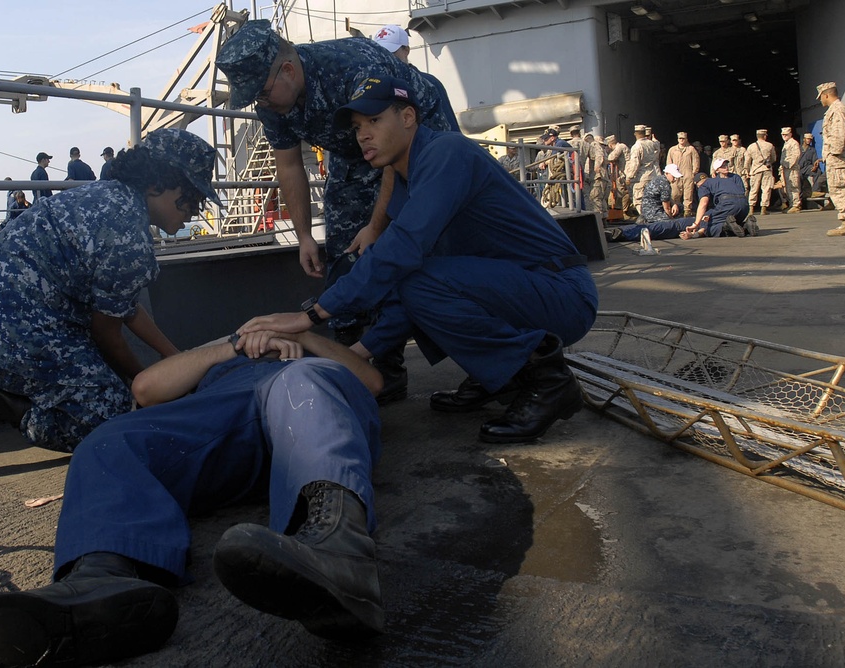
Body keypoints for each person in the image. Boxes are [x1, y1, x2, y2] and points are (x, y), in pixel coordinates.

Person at [0, 329, 386, 667]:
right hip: (224, 415)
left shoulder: (314, 355)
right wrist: (235, 342)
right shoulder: (221, 356)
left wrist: (301, 335)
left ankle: (338, 548)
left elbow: (372, 381)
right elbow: (146, 390)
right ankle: (101, 579)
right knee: (110, 440)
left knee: (302, 383)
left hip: (305, 403)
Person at [240, 75, 599, 445]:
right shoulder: (411, 179)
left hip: (561, 293)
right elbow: (410, 289)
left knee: (421, 280)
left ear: (408, 116)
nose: (363, 135)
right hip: (519, 289)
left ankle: (547, 381)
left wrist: (312, 315)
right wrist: (358, 354)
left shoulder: (446, 154)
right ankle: (497, 375)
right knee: (421, 283)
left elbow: (402, 252)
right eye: (358, 127)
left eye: (375, 121)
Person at [0, 129, 220, 478]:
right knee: (120, 424)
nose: (194, 211)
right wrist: (147, 384)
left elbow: (123, 305)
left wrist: (176, 358)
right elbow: (107, 335)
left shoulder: (104, 196)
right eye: (190, 199)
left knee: (109, 391)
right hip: (8, 331)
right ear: (158, 185)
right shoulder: (130, 237)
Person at [215, 19, 458, 404]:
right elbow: (290, 165)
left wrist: (377, 226)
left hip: (414, 135)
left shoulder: (353, 67)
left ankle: (481, 362)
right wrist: (305, 237)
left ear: (289, 71)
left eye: (261, 93)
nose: (260, 103)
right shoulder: (272, 98)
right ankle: (363, 366)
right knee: (346, 255)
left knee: (425, 244)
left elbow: (395, 154)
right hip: (354, 152)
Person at [680, 160, 757, 239]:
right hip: (744, 205)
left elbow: (703, 203)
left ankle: (726, 226)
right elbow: (741, 192)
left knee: (708, 223)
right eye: (723, 166)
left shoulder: (706, 184)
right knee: (735, 221)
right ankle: (746, 226)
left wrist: (696, 224)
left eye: (726, 165)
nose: (726, 167)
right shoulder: (735, 177)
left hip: (727, 204)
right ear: (716, 170)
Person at [818, 81, 845, 236]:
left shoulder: (838, 110)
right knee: (837, 188)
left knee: (840, 188)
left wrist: (833, 154)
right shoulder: (835, 110)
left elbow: (839, 136)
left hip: (838, 157)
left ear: (826, 94)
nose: (820, 99)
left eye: (821, 96)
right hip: (836, 157)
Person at [625, 124, 660, 217]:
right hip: (653, 175)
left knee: (638, 199)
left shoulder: (637, 146)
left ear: (635, 134)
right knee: (651, 198)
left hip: (641, 177)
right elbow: (657, 149)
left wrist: (629, 176)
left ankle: (645, 217)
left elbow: (635, 163)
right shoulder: (651, 144)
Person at [666, 132, 700, 216]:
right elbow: (669, 162)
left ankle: (687, 211)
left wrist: (694, 172)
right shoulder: (672, 149)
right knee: (674, 193)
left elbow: (696, 161)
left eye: (683, 138)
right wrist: (669, 173)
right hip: (675, 174)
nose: (681, 140)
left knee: (688, 194)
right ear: (677, 139)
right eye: (680, 138)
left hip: (687, 173)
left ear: (686, 139)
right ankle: (676, 209)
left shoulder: (691, 149)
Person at [746, 129, 776, 216]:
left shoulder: (751, 146)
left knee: (754, 189)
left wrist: (747, 171)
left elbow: (747, 161)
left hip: (755, 170)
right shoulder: (770, 145)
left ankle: (751, 208)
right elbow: (774, 158)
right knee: (766, 189)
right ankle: (764, 208)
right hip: (766, 169)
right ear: (765, 136)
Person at [778, 127, 802, 213]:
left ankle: (796, 204)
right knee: (788, 188)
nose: (784, 136)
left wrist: (789, 165)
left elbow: (796, 155)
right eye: (783, 135)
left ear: (790, 134)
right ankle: (792, 204)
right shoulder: (786, 144)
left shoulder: (794, 143)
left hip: (792, 169)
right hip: (786, 169)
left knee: (794, 186)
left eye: (786, 134)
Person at [606, 134, 630, 212]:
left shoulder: (620, 147)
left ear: (610, 144)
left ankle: (624, 211)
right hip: (624, 172)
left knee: (623, 192)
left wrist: (607, 153)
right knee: (622, 191)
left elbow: (611, 157)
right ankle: (621, 209)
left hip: (625, 173)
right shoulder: (622, 146)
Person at [797, 133, 821, 207]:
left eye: (810, 139)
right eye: (807, 139)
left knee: (818, 172)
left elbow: (815, 160)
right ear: (804, 139)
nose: (809, 141)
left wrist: (815, 166)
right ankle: (799, 202)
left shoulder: (812, 150)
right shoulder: (798, 148)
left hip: (807, 167)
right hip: (798, 168)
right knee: (799, 181)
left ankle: (815, 191)